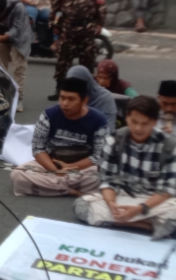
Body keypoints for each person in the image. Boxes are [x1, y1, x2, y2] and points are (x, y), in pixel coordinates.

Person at [74, 96, 176, 240]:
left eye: (144, 123)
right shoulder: (114, 140)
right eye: (134, 122)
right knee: (82, 206)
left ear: (154, 122)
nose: (138, 128)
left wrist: (141, 209)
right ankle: (146, 225)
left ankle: (122, 221)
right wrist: (111, 204)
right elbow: (107, 180)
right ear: (127, 118)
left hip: (155, 202)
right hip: (123, 197)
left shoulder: (169, 145)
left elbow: (167, 189)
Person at [10, 77, 108, 197]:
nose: (65, 104)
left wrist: (70, 167)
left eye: (71, 99)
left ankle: (48, 187)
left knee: (101, 177)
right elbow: (38, 148)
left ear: (84, 101)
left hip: (82, 167)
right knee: (18, 174)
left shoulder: (99, 120)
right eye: (62, 98)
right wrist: (55, 170)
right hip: (51, 164)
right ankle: (71, 190)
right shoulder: (48, 115)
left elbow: (98, 156)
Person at [48, 0, 106, 101]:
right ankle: (60, 89)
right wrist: (54, 25)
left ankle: (86, 92)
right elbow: (55, 4)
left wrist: (100, 23)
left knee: (88, 60)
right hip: (68, 26)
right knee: (63, 60)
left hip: (87, 27)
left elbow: (100, 2)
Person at [0, 0, 33, 112]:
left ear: (4, 7)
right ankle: (3, 95)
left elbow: (17, 30)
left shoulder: (18, 7)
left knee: (19, 68)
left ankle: (18, 98)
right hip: (1, 33)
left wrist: (1, 37)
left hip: (20, 37)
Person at [67, 65, 117, 131]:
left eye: (78, 85)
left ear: (87, 83)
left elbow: (108, 130)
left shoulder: (105, 98)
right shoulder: (67, 97)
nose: (74, 89)